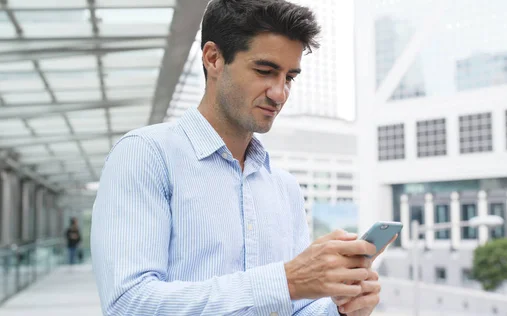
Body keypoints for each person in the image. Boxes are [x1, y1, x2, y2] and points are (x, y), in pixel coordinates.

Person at [91, 0, 394, 315]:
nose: (279, 93)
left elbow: (297, 307)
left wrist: (340, 310)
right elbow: (128, 303)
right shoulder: (145, 155)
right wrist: (285, 281)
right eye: (265, 71)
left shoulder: (284, 187)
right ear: (213, 58)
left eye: (289, 77)